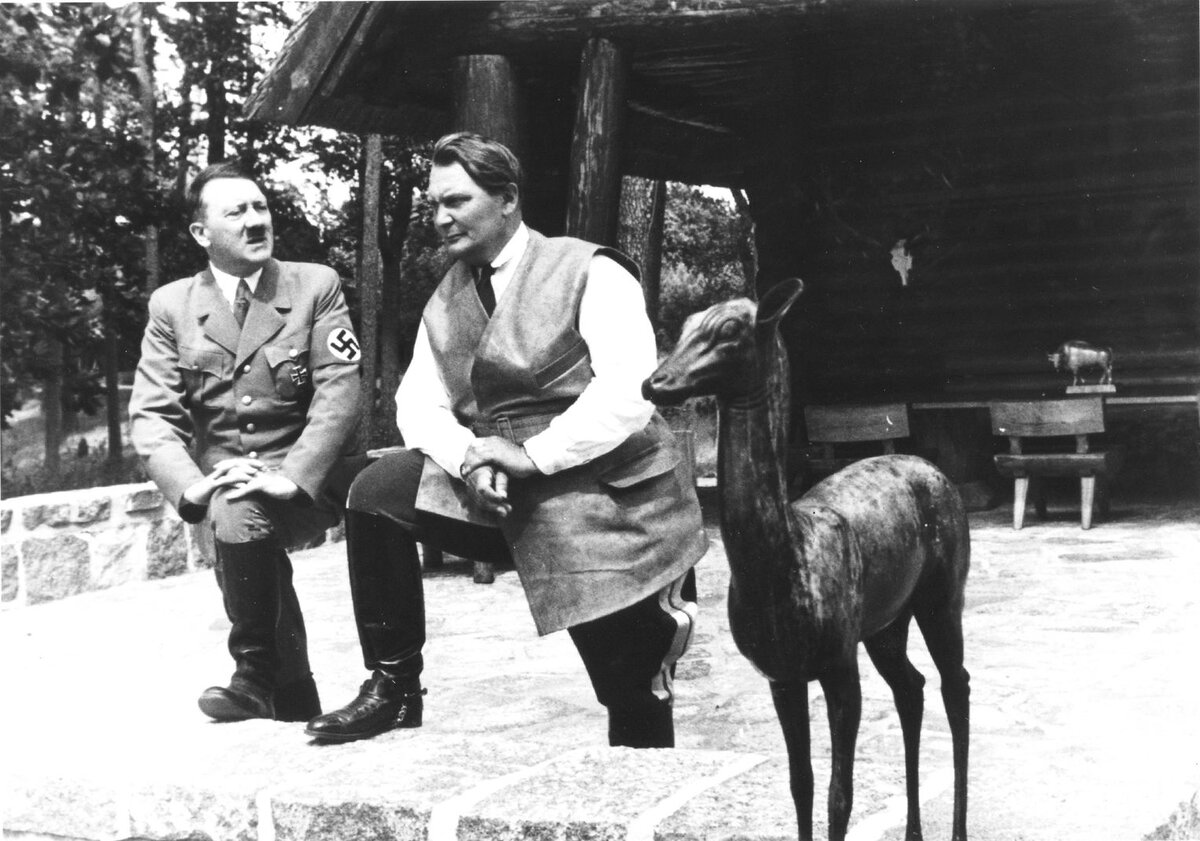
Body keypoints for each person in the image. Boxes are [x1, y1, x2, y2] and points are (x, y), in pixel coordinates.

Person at [305, 132, 708, 749]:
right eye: (433, 204)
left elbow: (629, 391)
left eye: (457, 201)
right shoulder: (445, 298)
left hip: (609, 497)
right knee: (376, 492)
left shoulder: (590, 269)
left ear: (508, 199)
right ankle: (394, 686)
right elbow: (418, 403)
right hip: (501, 483)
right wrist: (469, 458)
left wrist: (530, 456)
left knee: (632, 691)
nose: (440, 218)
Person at [130, 161, 363, 723]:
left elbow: (340, 391)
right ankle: (292, 696)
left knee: (238, 514)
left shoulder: (314, 285)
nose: (256, 222)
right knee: (234, 509)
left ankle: (254, 672)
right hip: (227, 479)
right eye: (236, 212)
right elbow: (152, 415)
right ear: (201, 233)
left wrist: (294, 475)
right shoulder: (173, 306)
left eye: (261, 207)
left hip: (308, 473)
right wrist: (192, 484)